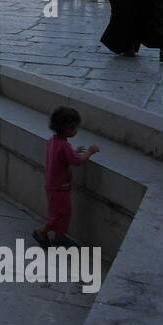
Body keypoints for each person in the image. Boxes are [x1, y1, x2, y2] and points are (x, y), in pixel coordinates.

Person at [31, 105, 99, 249]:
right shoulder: (64, 146)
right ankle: (42, 232)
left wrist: (74, 151)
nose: (76, 131)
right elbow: (77, 161)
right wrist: (90, 152)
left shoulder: (53, 140)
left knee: (61, 213)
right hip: (59, 187)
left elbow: (60, 157)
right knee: (60, 214)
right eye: (74, 128)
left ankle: (60, 236)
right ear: (68, 129)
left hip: (52, 185)